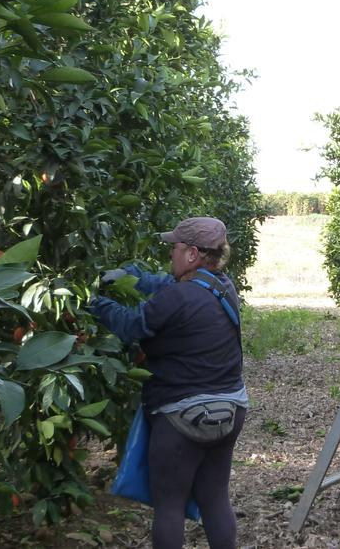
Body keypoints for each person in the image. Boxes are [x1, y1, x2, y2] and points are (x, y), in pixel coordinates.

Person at [89, 217, 246, 549]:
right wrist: (134, 278)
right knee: (214, 497)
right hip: (230, 409)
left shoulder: (177, 300)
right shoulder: (222, 285)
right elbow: (165, 283)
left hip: (182, 416)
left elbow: (131, 326)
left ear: (191, 253)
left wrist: (95, 302)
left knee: (169, 506)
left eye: (173, 248)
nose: (170, 255)